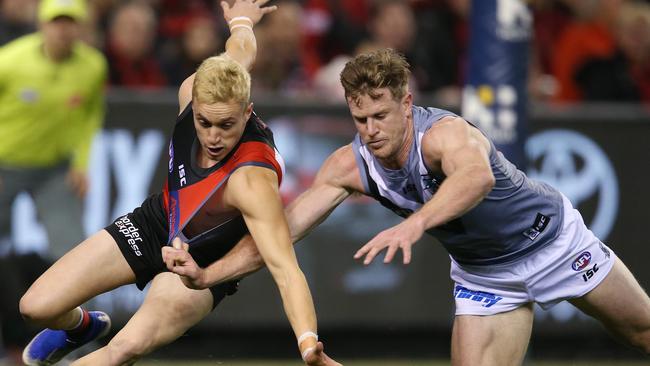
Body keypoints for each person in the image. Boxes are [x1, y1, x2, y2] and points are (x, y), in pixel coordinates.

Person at [165, 48, 650, 365]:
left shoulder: (443, 134)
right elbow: (282, 231)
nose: (371, 129)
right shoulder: (350, 166)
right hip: (487, 275)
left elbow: (475, 178)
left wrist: (415, 224)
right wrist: (212, 274)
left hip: (552, 239)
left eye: (381, 115)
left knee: (640, 332)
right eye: (360, 118)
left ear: (406, 104)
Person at [19, 1, 339, 365]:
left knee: (122, 350)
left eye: (227, 125)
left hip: (203, 263)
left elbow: (285, 268)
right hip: (156, 223)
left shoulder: (253, 180)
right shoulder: (194, 89)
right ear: (194, 102)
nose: (214, 137)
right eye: (205, 123)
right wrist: (241, 20)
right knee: (34, 307)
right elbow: (240, 48)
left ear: (247, 111)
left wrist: (307, 342)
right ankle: (81, 326)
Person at [0, 0, 106, 360]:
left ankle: (84, 348)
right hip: (3, 166)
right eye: (57, 21)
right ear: (42, 25)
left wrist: (82, 161)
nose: (64, 29)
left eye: (71, 22)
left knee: (75, 255)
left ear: (81, 27)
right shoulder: (11, 61)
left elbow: (91, 114)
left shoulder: (92, 65)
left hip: (53, 170)